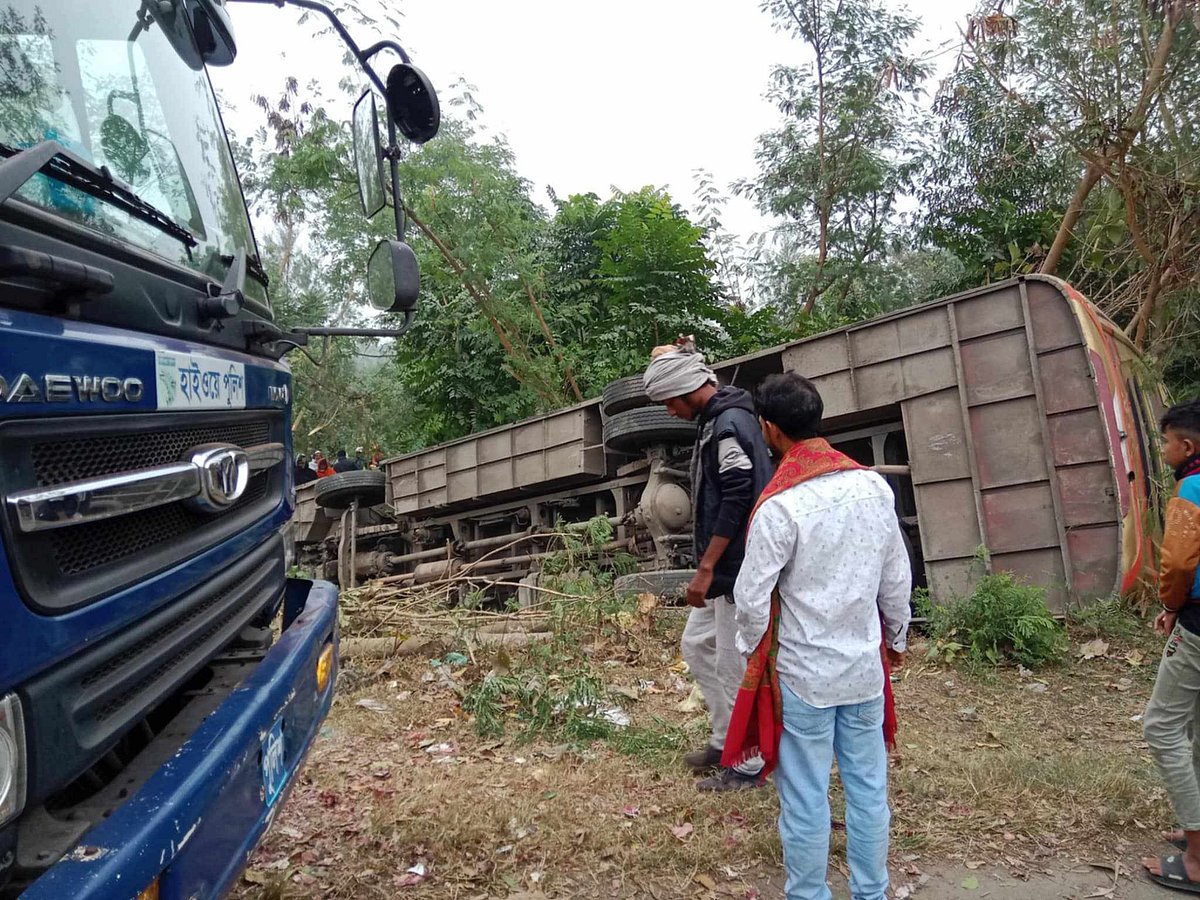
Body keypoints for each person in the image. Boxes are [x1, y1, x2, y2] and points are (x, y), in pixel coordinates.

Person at [729, 372, 910, 900]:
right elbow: (897, 576)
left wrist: (751, 651)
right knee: (869, 789)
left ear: (769, 428)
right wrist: (895, 638)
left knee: (806, 796)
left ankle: (808, 894)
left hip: (804, 677)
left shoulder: (779, 506)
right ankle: (871, 893)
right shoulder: (874, 486)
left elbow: (751, 598)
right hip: (863, 672)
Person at [642, 338, 774, 792]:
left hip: (735, 568)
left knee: (735, 664)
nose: (668, 412)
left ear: (685, 390)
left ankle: (749, 762)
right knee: (698, 646)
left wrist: (706, 568)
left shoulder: (729, 426)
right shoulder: (713, 419)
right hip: (721, 570)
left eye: (668, 403)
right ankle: (724, 740)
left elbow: (738, 497)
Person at [1142, 400, 1200, 892]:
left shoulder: (1191, 487)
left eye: (1165, 442)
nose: (1163, 451)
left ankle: (1198, 858)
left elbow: (1179, 563)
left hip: (1199, 625)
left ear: (1187, 446)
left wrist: (1171, 604)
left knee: (1161, 726)